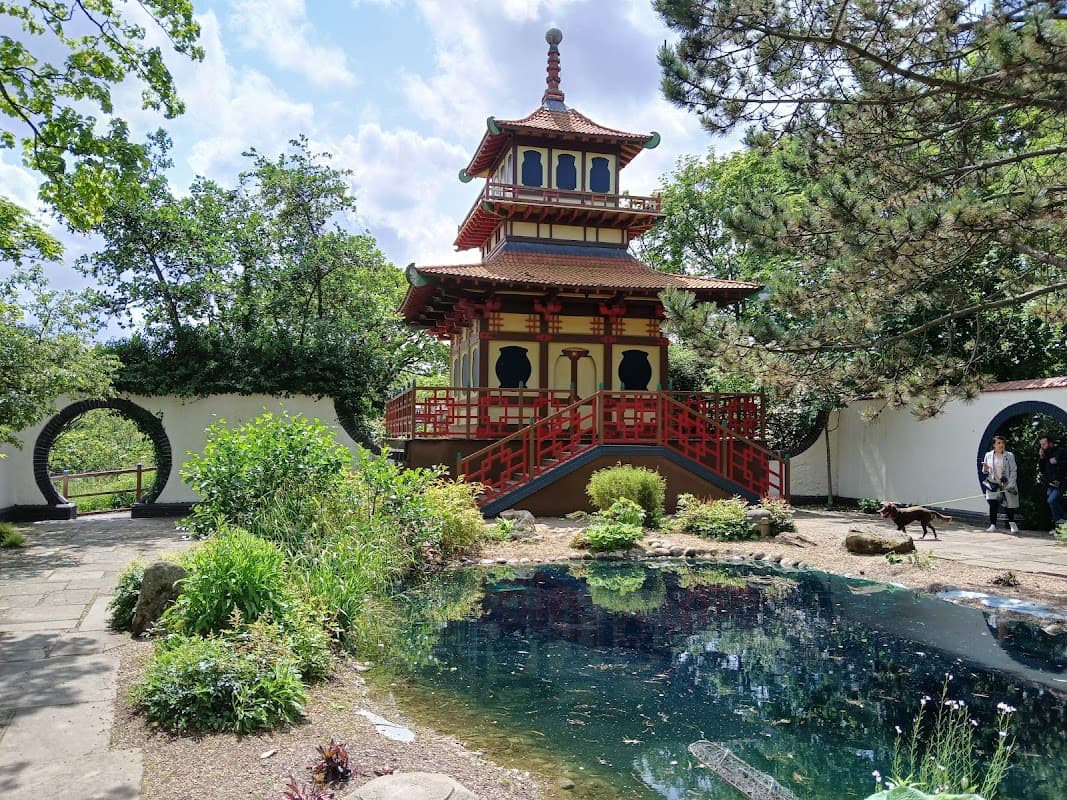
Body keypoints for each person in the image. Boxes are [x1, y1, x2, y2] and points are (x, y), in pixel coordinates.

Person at [982, 434, 1019, 533]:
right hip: (993, 483)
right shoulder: (988, 455)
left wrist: (1011, 483)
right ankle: (993, 525)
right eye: (998, 443)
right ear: (994, 445)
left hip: (1006, 484)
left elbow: (1014, 470)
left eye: (1002, 443)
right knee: (992, 504)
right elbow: (985, 471)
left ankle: (1012, 524)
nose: (1001, 445)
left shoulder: (1009, 455)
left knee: (1009, 504)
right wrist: (985, 469)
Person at [1038, 434, 1067, 534]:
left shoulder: (1060, 451)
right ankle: (1059, 527)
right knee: (1054, 504)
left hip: (1061, 482)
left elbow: (1060, 463)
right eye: (1041, 444)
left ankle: (1062, 520)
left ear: (1050, 443)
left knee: (1052, 500)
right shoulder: (1045, 454)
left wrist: (1057, 460)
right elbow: (1042, 470)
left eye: (1044, 444)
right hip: (1050, 483)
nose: (1042, 446)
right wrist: (1041, 458)